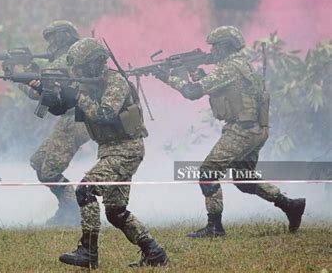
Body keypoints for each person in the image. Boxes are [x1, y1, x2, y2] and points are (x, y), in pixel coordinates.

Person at [155, 26, 306, 238]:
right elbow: (215, 87)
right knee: (244, 180)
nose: (212, 51)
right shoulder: (238, 66)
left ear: (225, 47)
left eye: (215, 46)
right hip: (256, 129)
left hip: (242, 131)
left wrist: (166, 77)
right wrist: (194, 71)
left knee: (208, 172)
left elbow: (192, 92)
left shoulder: (228, 69)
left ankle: (214, 228)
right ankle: (291, 205)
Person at [36, 38, 168, 268]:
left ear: (93, 64)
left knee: (85, 191)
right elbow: (61, 108)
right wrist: (43, 90)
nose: (75, 71)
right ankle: (154, 253)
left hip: (126, 150)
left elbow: (104, 113)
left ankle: (88, 252)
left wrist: (77, 95)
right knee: (115, 212)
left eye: (79, 67)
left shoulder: (115, 83)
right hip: (109, 150)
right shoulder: (87, 84)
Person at [20, 21, 91, 226]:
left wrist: (22, 77)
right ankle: (69, 210)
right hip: (73, 118)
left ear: (63, 36)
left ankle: (73, 213)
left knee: (49, 170)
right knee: (39, 162)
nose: (49, 42)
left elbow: (39, 91)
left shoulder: (66, 58)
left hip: (75, 119)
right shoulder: (77, 55)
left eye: (52, 37)